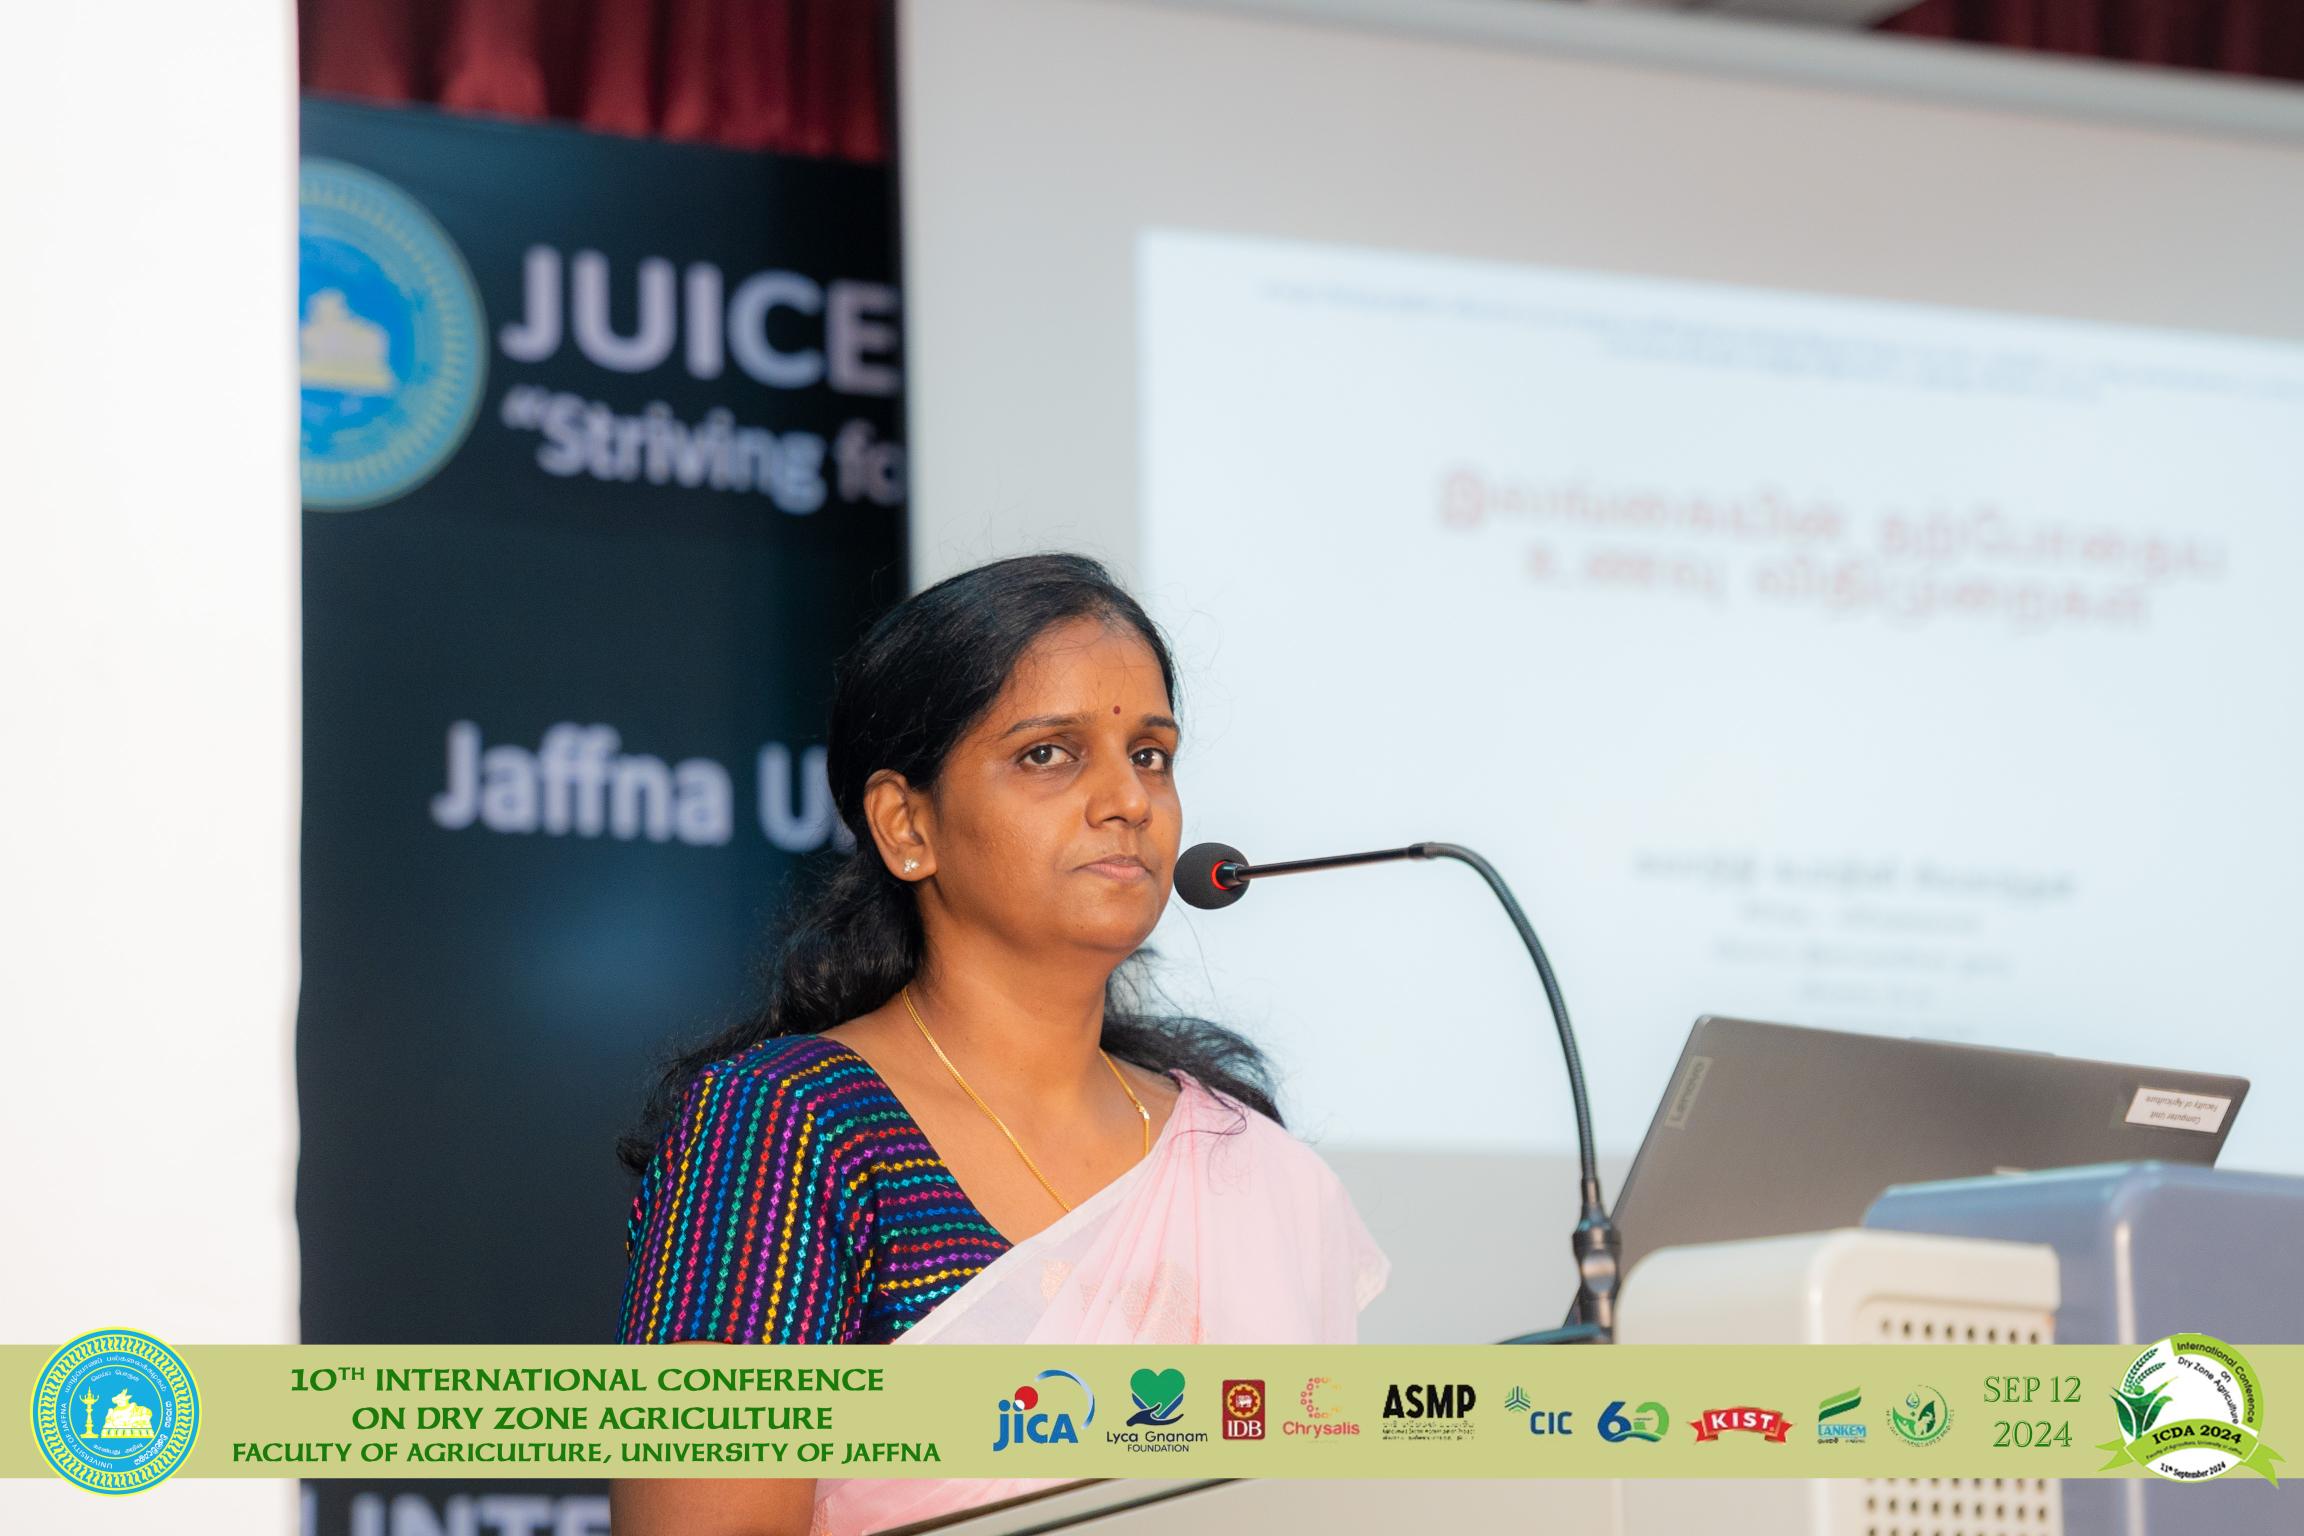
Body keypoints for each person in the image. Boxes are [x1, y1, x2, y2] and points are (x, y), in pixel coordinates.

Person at [608, 551, 1390, 1536]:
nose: (1129, 800)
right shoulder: (787, 1125)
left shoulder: (1251, 1167)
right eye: (1049, 754)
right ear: (907, 826)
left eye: (1150, 754)